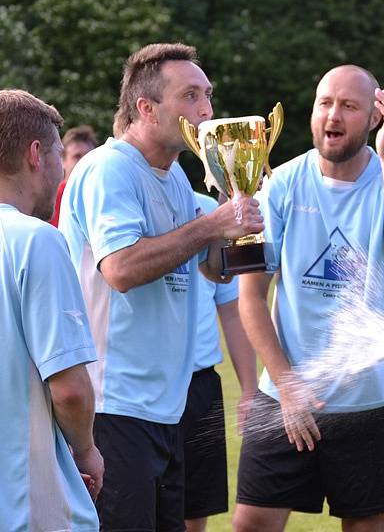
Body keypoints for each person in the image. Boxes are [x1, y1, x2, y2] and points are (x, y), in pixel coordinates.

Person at [58, 43, 263, 530]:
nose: (207, 110)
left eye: (208, 95)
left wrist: (239, 212)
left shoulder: (176, 181)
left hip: (166, 409)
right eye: (190, 96)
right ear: (146, 108)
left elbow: (211, 271)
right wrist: (210, 227)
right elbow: (122, 269)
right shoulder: (110, 169)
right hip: (112, 406)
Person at [232, 65, 384, 532]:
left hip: (369, 398)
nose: (333, 115)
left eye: (349, 105)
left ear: (374, 119)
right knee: (251, 524)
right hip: (286, 392)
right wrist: (287, 386)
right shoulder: (279, 183)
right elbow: (251, 298)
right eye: (325, 103)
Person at [0, 89, 102, 530]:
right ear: (35, 154)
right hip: (19, 509)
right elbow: (69, 389)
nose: (59, 170)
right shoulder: (35, 240)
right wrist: (85, 450)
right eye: (56, 155)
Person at [181, 191, 257, 532]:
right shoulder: (128, 197)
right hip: (138, 384)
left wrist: (250, 390)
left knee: (195, 508)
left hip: (200, 385)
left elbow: (231, 311)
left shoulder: (214, 211)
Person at [49, 124, 98, 226]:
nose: (84, 161)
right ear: (62, 161)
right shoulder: (50, 199)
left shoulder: (102, 196)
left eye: (88, 156)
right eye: (77, 156)